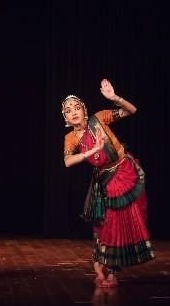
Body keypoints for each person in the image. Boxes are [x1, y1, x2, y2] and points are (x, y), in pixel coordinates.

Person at [62, 79, 154, 288]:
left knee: (118, 222)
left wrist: (114, 98)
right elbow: (68, 162)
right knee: (104, 223)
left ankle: (113, 271)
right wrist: (93, 150)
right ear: (65, 118)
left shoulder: (100, 118)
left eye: (77, 107)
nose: (74, 111)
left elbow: (131, 111)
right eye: (68, 110)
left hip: (124, 170)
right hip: (104, 179)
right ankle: (99, 263)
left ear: (85, 110)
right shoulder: (71, 138)